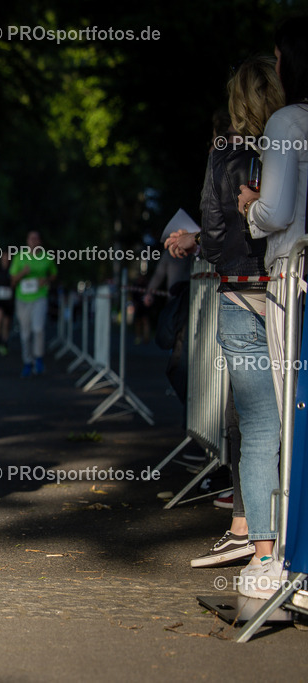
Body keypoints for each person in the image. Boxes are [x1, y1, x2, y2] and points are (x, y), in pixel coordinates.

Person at [168, 56, 284, 579]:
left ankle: (257, 546)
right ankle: (277, 539)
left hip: (239, 291)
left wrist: (216, 241)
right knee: (283, 417)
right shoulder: (287, 142)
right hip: (287, 290)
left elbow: (215, 237)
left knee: (253, 421)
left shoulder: (225, 153)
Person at [234, 18, 308, 597]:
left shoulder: (287, 122)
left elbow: (278, 213)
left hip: (291, 276)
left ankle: (280, 555)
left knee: (288, 407)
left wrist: (252, 209)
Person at [10, 230, 57, 377]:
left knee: (38, 328)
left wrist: (47, 280)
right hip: (22, 299)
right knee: (25, 333)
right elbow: (12, 280)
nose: (34, 241)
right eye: (31, 238)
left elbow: (54, 274)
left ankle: (38, 358)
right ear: (27, 241)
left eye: (37, 239)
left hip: (39, 297)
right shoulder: (19, 257)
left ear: (40, 242)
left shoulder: (47, 257)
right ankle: (27, 361)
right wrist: (23, 273)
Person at [0, 251, 14, 355]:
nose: (6, 260)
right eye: (4, 258)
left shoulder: (12, 270)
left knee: (6, 322)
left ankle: (5, 342)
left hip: (9, 299)